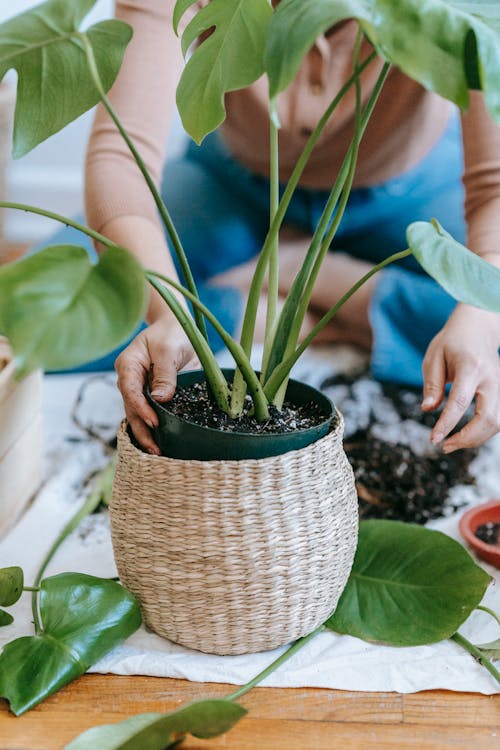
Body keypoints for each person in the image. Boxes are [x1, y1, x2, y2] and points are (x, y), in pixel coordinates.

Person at [83, 0, 500, 456]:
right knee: (67, 308)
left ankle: (315, 278)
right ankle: (266, 314)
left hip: (405, 192)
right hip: (235, 186)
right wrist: (167, 312)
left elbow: (494, 187)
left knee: (482, 324)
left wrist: (479, 322)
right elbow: (121, 159)